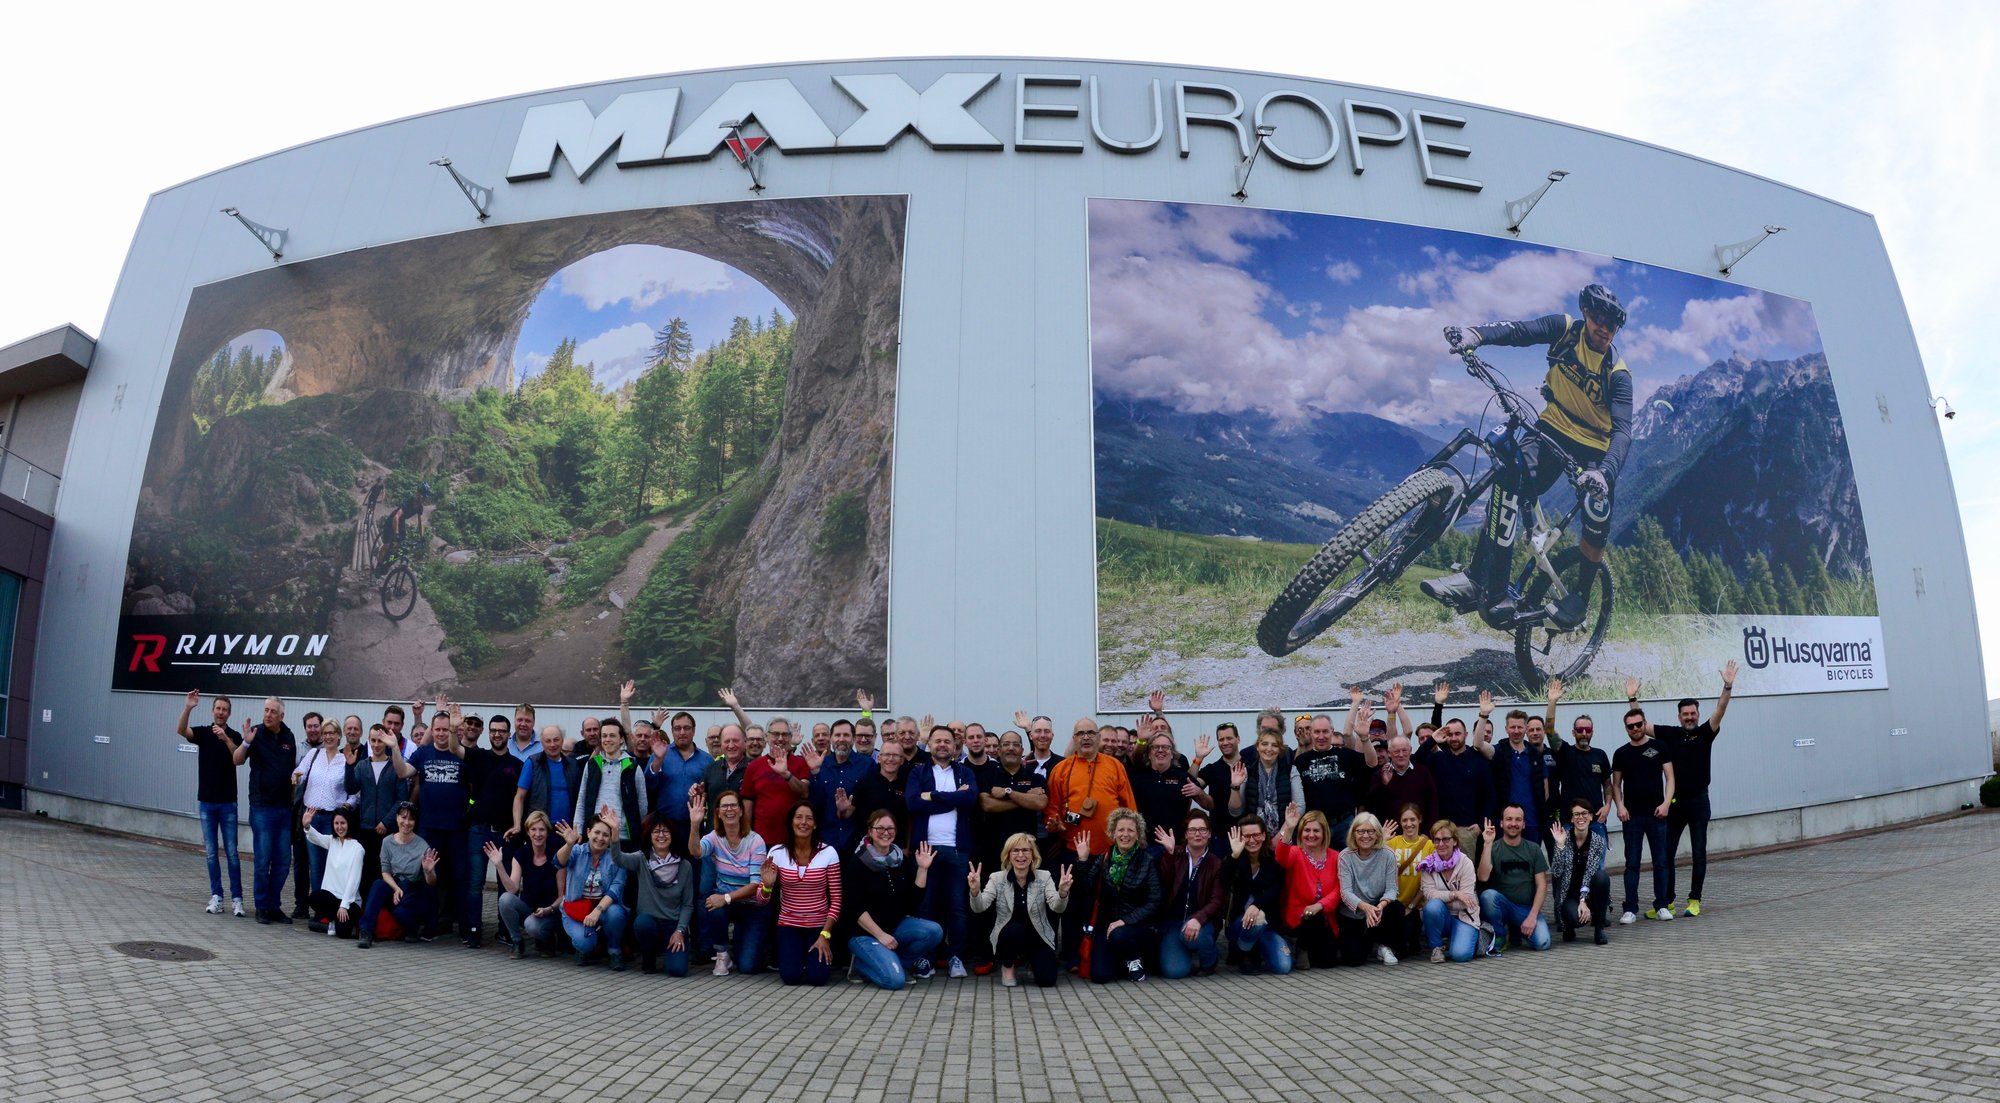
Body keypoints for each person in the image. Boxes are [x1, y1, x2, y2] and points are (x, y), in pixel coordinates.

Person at [1431, 285, 1632, 628]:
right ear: (1586, 313)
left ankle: (1580, 599)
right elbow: (1519, 331)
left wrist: (1605, 473)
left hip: (1595, 448)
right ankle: (1478, 578)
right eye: (1599, 318)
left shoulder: (1618, 374)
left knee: (1597, 517)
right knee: (1509, 481)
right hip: (1553, 427)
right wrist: (1475, 334)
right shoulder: (1564, 330)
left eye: (1612, 324)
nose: (1604, 328)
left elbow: (1623, 432)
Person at [1633, 664, 1736, 917]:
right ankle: (1667, 902)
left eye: (1692, 713)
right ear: (1679, 716)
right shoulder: (1669, 734)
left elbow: (1721, 710)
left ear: (1698, 715)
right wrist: (1632, 698)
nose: (1689, 717)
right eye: (1685, 714)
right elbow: (1641, 725)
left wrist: (1727, 686)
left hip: (1699, 801)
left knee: (1698, 852)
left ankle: (1694, 900)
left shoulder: (1705, 733)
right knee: (1666, 853)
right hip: (1675, 803)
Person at [908, 725, 980, 978]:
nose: (942, 745)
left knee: (957, 907)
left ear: (954, 746)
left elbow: (970, 799)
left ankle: (955, 958)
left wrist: (932, 796)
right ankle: (926, 959)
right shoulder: (918, 772)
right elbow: (913, 803)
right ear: (929, 745)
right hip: (925, 850)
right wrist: (952, 799)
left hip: (957, 850)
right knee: (926, 907)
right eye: (937, 740)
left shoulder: (965, 772)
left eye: (947, 741)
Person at [845, 811, 944, 989]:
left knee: (934, 931)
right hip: (865, 934)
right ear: (870, 831)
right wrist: (880, 935)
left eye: (890, 828)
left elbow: (912, 903)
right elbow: (855, 907)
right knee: (895, 981)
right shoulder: (858, 862)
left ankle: (897, 964)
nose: (885, 833)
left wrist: (923, 869)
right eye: (880, 828)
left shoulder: (899, 860)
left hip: (894, 928)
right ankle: (860, 965)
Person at [969, 833, 1072, 988]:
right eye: (1015, 850)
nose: (1021, 855)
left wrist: (1063, 893)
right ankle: (1008, 966)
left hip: (1038, 935)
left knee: (1047, 981)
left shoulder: (1044, 877)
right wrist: (975, 891)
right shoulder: (997, 878)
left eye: (1026, 850)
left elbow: (1057, 907)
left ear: (1033, 855)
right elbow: (979, 907)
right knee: (1015, 930)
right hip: (1009, 935)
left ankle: (1032, 962)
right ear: (1008, 855)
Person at [177, 690, 245, 917]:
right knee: (211, 853)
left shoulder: (234, 735)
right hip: (206, 803)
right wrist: (188, 707)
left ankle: (237, 899)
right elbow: (181, 730)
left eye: (225, 710)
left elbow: (238, 759)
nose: (221, 712)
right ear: (213, 711)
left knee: (232, 853)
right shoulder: (204, 733)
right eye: (218, 708)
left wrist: (225, 739)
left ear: (229, 713)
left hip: (228, 804)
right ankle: (217, 896)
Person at [408, 700, 472, 938]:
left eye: (446, 729)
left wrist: (469, 808)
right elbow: (405, 772)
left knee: (460, 877)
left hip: (457, 828)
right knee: (431, 876)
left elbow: (473, 790)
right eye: (438, 729)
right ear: (432, 731)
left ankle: (466, 928)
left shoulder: (462, 754)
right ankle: (432, 925)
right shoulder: (423, 753)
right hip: (429, 827)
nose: (442, 733)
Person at [232, 696, 298, 925]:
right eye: (266, 710)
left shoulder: (289, 737)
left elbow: (291, 771)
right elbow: (236, 760)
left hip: (284, 809)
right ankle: (261, 906)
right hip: (262, 808)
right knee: (263, 860)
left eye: (273, 711)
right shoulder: (256, 733)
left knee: (283, 861)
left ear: (281, 716)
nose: (268, 714)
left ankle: (274, 906)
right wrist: (246, 743)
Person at [461, 713, 525, 949]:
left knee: (505, 885)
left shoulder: (517, 765)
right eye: (493, 730)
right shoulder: (478, 757)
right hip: (478, 830)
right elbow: (455, 749)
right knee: (475, 883)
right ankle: (474, 930)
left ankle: (505, 931)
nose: (497, 734)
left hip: (506, 834)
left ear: (509, 734)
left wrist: (517, 827)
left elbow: (520, 799)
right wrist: (454, 727)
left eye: (502, 731)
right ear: (488, 733)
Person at [689, 791, 768, 976]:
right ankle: (722, 954)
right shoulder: (715, 837)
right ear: (718, 812)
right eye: (724, 806)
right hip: (729, 905)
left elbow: (755, 885)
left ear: (741, 811)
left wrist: (725, 898)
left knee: (747, 967)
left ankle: (747, 943)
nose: (729, 809)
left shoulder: (756, 841)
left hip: (753, 906)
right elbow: (696, 852)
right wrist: (695, 825)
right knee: (713, 905)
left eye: (733, 805)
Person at [763, 803, 842, 987]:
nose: (803, 822)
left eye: (809, 818)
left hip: (818, 926)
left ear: (815, 824)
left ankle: (811, 961)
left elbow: (837, 899)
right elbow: (761, 898)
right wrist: (767, 886)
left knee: (818, 978)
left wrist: (825, 934)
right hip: (789, 924)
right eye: (798, 817)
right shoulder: (777, 852)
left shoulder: (829, 853)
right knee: (790, 977)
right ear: (791, 822)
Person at [1077, 808, 1159, 983]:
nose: (1125, 835)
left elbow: (1154, 901)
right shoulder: (1104, 858)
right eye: (1121, 830)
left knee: (1119, 934)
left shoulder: (1147, 861)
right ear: (1113, 833)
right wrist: (1082, 861)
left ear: (1138, 834)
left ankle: (1134, 958)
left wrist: (1125, 921)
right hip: (1107, 926)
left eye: (1131, 830)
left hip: (1137, 927)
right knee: (1099, 976)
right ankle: (1122, 962)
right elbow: (1086, 891)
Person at [1612, 705, 1677, 923]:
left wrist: (1666, 803)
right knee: (1632, 864)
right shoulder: (1621, 753)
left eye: (1639, 724)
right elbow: (1616, 785)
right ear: (1626, 728)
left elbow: (1670, 778)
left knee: (1661, 862)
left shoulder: (1659, 747)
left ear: (1644, 723)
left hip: (1657, 815)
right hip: (1632, 818)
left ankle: (1662, 905)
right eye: (1630, 726)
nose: (1635, 729)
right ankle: (1630, 908)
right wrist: (1620, 807)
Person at [612, 813, 697, 976]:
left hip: (673, 926)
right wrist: (615, 833)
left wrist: (680, 931)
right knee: (642, 923)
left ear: (672, 835)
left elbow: (687, 904)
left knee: (678, 971)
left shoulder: (684, 865)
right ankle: (648, 954)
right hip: (650, 922)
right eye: (656, 831)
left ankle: (668, 951)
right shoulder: (642, 859)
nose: (661, 835)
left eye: (665, 831)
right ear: (649, 836)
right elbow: (618, 859)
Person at [1152, 811, 1226, 979]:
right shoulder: (1175, 854)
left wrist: (1198, 919)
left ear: (1209, 833)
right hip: (1174, 922)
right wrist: (1169, 854)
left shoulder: (1216, 862)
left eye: (1202, 830)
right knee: (1174, 972)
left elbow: (1216, 901)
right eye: (1192, 830)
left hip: (1203, 921)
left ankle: (1209, 963)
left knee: (1197, 937)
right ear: (1186, 834)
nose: (1197, 834)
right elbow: (1164, 882)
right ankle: (1184, 952)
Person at [358, 802, 438, 948]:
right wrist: (395, 888)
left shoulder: (423, 846)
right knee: (378, 884)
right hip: (393, 884)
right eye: (403, 817)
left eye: (411, 819)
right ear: (396, 818)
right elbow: (385, 872)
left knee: (401, 913)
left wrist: (428, 871)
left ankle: (412, 928)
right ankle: (366, 930)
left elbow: (431, 882)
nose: (406, 822)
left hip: (412, 888)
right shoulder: (387, 842)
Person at [1543, 679, 1613, 844]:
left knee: (1597, 861)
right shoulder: (1565, 752)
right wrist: (1552, 701)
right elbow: (1549, 730)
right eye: (1580, 730)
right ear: (1573, 732)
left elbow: (1607, 785)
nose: (1584, 733)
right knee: (1570, 861)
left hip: (1596, 821)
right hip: (1570, 822)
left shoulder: (1600, 755)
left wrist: (1608, 806)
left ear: (1592, 732)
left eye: (1587, 730)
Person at [554, 817, 629, 970]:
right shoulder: (577, 851)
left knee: (616, 913)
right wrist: (569, 844)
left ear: (611, 838)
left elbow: (616, 889)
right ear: (588, 832)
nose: (600, 838)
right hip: (576, 909)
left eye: (606, 835)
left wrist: (598, 910)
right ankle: (585, 947)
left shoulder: (617, 858)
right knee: (585, 944)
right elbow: (558, 862)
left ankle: (614, 950)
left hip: (603, 908)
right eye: (597, 832)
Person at [1477, 805, 1552, 953]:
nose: (1513, 823)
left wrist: (1532, 917)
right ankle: (1500, 935)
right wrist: (1487, 844)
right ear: (1501, 823)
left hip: (1525, 909)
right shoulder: (1493, 847)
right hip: (1501, 907)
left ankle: (1517, 929)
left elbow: (1542, 886)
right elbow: (1482, 877)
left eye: (1518, 820)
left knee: (1543, 942)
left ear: (1523, 824)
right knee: (1488, 896)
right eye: (1509, 819)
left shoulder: (1533, 849)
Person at [1224, 816, 1293, 975]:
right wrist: (1234, 856)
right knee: (1256, 921)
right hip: (1239, 925)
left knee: (1283, 966)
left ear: (1263, 835)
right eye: (1246, 836)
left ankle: (1258, 950)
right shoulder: (1235, 858)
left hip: (1268, 924)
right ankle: (1244, 953)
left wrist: (1257, 905)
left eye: (1255, 835)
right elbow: (1223, 881)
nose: (1251, 840)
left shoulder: (1273, 859)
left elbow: (1276, 888)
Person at [491, 810, 564, 959]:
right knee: (505, 899)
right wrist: (499, 865)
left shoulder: (557, 856)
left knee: (532, 925)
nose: (537, 834)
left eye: (542, 830)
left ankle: (548, 940)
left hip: (552, 911)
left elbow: (563, 896)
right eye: (533, 829)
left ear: (547, 833)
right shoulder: (521, 854)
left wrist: (548, 909)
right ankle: (517, 942)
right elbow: (513, 889)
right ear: (528, 832)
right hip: (530, 910)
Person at [1334, 812, 1404, 965]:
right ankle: (1370, 939)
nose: (1366, 836)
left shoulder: (1388, 855)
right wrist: (1366, 908)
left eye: (1370, 831)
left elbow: (1392, 889)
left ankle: (1384, 945)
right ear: (1353, 833)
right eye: (1361, 831)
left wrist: (1381, 905)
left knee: (1396, 908)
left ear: (1378, 834)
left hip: (1378, 909)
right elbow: (1345, 892)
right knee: (1354, 960)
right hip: (1353, 912)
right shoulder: (1345, 856)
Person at [573, 718, 647, 852]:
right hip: (595, 836)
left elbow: (642, 805)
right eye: (604, 736)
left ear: (621, 739)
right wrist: (578, 829)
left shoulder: (633, 767)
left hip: (623, 838)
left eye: (612, 735)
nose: (608, 739)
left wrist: (633, 828)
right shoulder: (592, 765)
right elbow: (582, 800)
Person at [1130, 732, 1211, 853]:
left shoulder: (1183, 777)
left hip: (1177, 846)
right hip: (1145, 847)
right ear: (1149, 753)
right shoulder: (1138, 778)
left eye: (1166, 747)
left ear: (1172, 753)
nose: (1160, 750)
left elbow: (1210, 805)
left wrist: (1199, 792)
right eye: (1155, 747)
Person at [1417, 820, 1482, 963]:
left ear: (1455, 841)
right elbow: (1429, 894)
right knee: (1432, 907)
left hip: (1465, 916)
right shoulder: (1428, 865)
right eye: (1437, 840)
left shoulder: (1466, 863)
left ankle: (1471, 937)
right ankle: (1436, 948)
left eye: (1446, 839)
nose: (1441, 844)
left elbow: (1467, 902)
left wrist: (1443, 900)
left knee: (1461, 955)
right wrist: (1455, 894)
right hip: (1442, 916)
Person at [1549, 800, 1610, 945]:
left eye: (1584, 813)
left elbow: (1590, 872)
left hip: (1589, 892)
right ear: (1571, 819)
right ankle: (1568, 926)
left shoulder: (1598, 841)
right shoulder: (1563, 838)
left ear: (1591, 816)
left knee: (1602, 877)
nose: (1580, 817)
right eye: (1576, 814)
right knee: (1576, 919)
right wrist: (1560, 846)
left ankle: (1599, 928)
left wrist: (1583, 901)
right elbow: (1556, 872)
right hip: (1569, 894)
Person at [809, 718, 872, 853]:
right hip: (825, 841)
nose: (841, 739)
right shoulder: (821, 765)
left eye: (846, 735)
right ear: (831, 739)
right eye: (837, 735)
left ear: (853, 739)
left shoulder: (867, 765)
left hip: (857, 843)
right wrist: (814, 773)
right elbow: (815, 802)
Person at [303, 806, 365, 939]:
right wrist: (307, 826)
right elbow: (317, 838)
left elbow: (354, 880)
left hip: (350, 901)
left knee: (343, 933)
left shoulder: (358, 848)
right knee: (314, 897)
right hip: (332, 898)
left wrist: (344, 905)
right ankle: (333, 919)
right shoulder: (332, 841)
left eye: (343, 823)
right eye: (336, 823)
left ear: (349, 823)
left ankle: (343, 922)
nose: (339, 827)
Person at [512, 725, 579, 841]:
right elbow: (519, 797)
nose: (552, 745)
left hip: (567, 831)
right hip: (540, 830)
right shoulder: (532, 763)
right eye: (548, 741)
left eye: (556, 740)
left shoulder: (572, 765)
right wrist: (517, 825)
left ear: (562, 740)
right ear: (542, 743)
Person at [1232, 725, 1304, 833]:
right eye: (1264, 744)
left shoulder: (1290, 771)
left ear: (1280, 749)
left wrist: (1280, 836)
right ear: (1257, 746)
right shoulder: (1247, 772)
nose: (1269, 749)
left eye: (1274, 745)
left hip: (1284, 834)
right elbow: (1235, 811)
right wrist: (1235, 786)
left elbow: (1300, 806)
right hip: (1253, 836)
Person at [1382, 803, 1434, 949]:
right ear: (1400, 822)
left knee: (1408, 938)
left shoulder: (1429, 846)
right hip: (1392, 904)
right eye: (1404, 820)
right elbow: (1377, 870)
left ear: (1420, 820)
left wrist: (1411, 906)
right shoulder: (1392, 842)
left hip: (1414, 906)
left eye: (1412, 819)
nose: (1408, 824)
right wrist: (1383, 841)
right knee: (1398, 943)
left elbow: (1427, 882)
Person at [853, 740, 911, 845]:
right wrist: (842, 810)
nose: (891, 759)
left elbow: (909, 819)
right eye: (887, 754)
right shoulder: (864, 783)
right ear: (879, 758)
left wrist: (907, 846)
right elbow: (848, 814)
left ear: (902, 760)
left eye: (895, 755)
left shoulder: (908, 785)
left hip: (898, 847)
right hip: (868, 846)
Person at [1191, 722, 1246, 835]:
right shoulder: (1212, 769)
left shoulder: (1250, 765)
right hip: (1219, 834)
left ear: (1238, 739)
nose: (1225, 743)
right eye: (1221, 739)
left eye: (1229, 738)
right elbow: (1189, 784)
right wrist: (1198, 759)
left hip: (1247, 834)